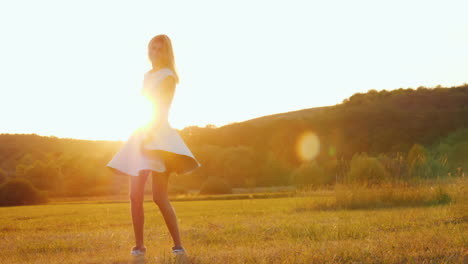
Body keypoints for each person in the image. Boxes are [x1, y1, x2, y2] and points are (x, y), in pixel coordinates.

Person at [107, 34, 201, 258]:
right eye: (151, 48)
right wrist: (140, 133)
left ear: (167, 52)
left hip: (159, 140)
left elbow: (161, 107)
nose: (154, 53)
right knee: (134, 195)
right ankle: (139, 247)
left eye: (159, 49)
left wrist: (149, 135)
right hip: (141, 133)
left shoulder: (168, 77)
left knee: (159, 197)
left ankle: (178, 246)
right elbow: (143, 105)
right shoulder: (146, 76)